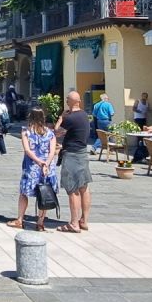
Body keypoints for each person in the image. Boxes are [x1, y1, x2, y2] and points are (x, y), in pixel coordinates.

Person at [12, 107, 58, 231]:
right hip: (47, 168)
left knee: (24, 194)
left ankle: (20, 220)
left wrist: (38, 162)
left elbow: (27, 150)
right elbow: (52, 151)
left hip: (31, 167)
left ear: (30, 117)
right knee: (45, 193)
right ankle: (40, 222)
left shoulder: (26, 132)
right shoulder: (50, 133)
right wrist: (46, 163)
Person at [53, 91, 93, 233]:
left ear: (70, 101)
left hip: (72, 155)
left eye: (67, 99)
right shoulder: (84, 115)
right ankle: (84, 220)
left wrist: (60, 119)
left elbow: (57, 133)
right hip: (83, 153)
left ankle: (74, 223)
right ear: (79, 101)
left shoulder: (70, 118)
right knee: (84, 187)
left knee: (73, 189)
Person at [90, 93, 114, 159]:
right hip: (107, 121)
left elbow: (94, 114)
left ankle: (95, 148)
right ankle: (110, 149)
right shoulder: (108, 104)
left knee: (101, 135)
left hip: (99, 121)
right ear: (105, 98)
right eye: (108, 98)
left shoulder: (96, 105)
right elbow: (112, 113)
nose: (108, 100)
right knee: (109, 134)